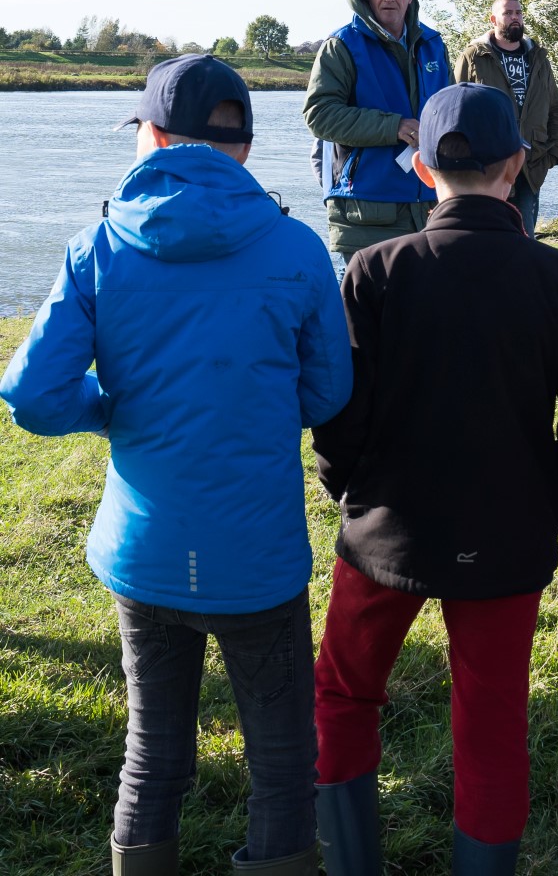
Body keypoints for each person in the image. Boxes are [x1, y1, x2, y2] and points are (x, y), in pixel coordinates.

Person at [0, 54, 352, 875]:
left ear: (153, 137)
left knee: (152, 753)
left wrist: (110, 406)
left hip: (146, 551)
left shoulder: (99, 247)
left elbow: (33, 396)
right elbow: (328, 393)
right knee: (281, 765)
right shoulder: (297, 247)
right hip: (257, 557)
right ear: (244, 146)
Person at [308, 84, 558, 875]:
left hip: (385, 527)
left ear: (421, 169)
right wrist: (549, 490)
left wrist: (348, 488)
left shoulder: (375, 269)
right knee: (491, 720)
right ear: (517, 165)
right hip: (506, 533)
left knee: (343, 694)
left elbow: (338, 412)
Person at [304, 0, 452, 262]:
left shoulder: (434, 45)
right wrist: (394, 126)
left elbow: (451, 109)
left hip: (431, 206)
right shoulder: (342, 45)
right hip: (367, 210)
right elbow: (319, 115)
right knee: (370, 295)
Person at [451, 0, 558, 236]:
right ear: (493, 20)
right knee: (487, 237)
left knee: (525, 239)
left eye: (518, 13)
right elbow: (454, 107)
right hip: (488, 166)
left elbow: (554, 108)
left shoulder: (538, 58)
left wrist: (554, 151)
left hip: (530, 165)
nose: (515, 17)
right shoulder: (474, 56)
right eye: (508, 13)